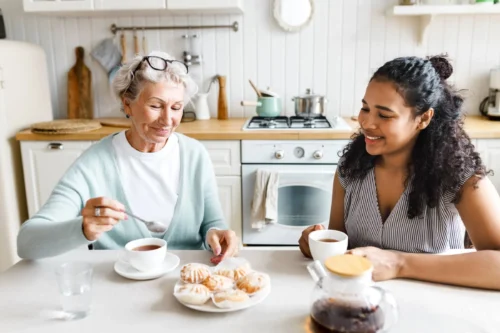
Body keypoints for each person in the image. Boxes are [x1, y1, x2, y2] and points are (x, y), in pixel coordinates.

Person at [299, 55, 500, 290]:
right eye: (365, 108)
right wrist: (317, 243)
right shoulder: (350, 168)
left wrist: (399, 264)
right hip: (360, 308)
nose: (367, 122)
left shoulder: (461, 177)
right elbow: (340, 245)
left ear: (423, 118)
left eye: (384, 115)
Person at [17, 51, 238, 263]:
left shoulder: (194, 155)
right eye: (155, 106)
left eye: (176, 107)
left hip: (188, 287)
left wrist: (217, 236)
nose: (167, 120)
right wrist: (82, 229)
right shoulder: (94, 164)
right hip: (117, 289)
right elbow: (27, 242)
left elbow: (212, 224)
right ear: (127, 104)